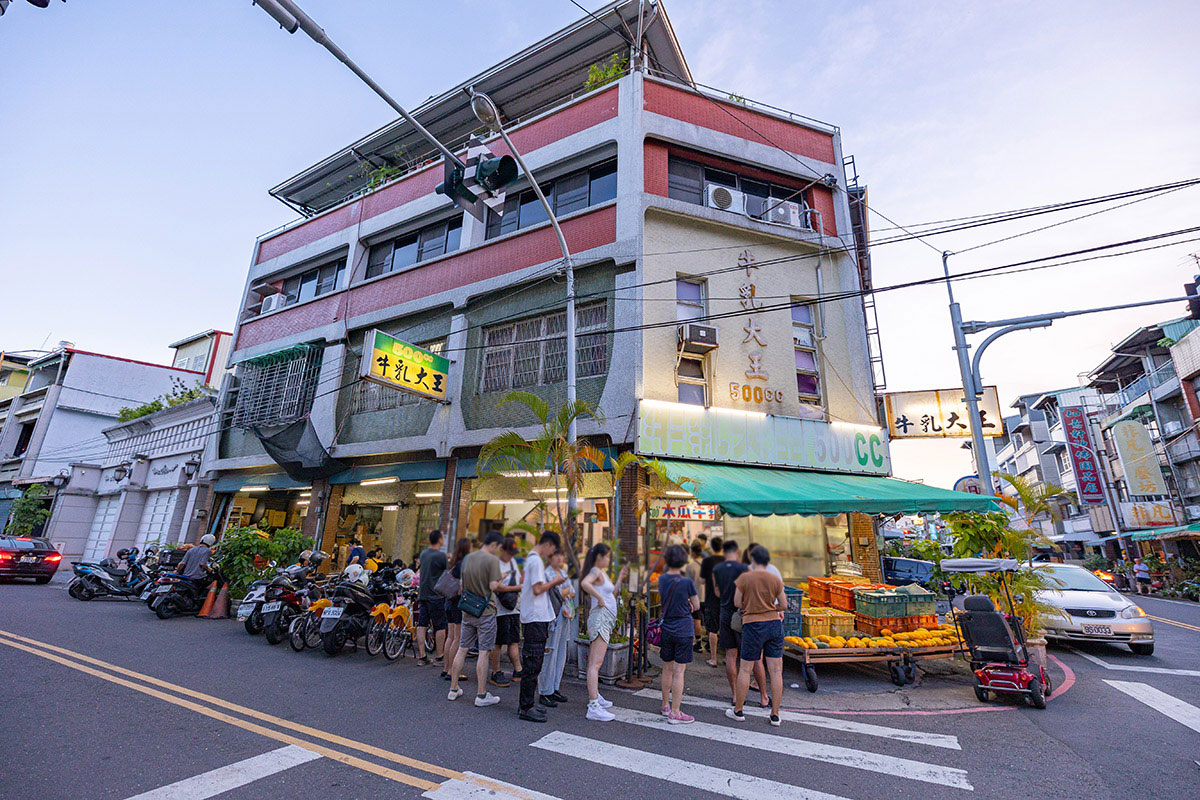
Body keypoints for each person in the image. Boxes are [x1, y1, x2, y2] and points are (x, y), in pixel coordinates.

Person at [727, 545, 787, 726]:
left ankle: (738, 710)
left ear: (752, 560)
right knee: (776, 671)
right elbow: (783, 604)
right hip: (774, 625)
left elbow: (737, 602)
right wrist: (771, 608)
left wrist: (751, 608)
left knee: (745, 668)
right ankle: (775, 714)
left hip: (752, 626)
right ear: (767, 560)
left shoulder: (745, 578)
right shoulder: (775, 578)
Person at [447, 532, 505, 708]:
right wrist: (503, 579)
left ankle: (453, 689)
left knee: (462, 649)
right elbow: (494, 586)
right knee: (483, 652)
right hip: (485, 612)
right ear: (494, 544)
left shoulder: (468, 559)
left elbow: (463, 585)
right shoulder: (492, 561)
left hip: (467, 611)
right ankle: (481, 694)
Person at [516, 532, 568, 722]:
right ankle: (526, 707)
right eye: (553, 550)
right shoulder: (536, 561)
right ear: (547, 544)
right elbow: (538, 589)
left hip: (534, 616)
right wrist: (555, 582)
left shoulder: (532, 559)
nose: (551, 554)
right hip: (535, 618)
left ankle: (527, 703)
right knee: (533, 663)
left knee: (534, 662)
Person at [713, 540, 768, 709]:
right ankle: (764, 697)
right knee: (755, 657)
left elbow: (716, 591)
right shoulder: (744, 569)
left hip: (725, 613)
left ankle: (736, 695)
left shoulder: (717, 569)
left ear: (724, 552)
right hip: (743, 614)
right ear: (736, 551)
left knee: (731, 655)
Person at [580, 542, 629, 722]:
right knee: (595, 663)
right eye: (607, 556)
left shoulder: (601, 573)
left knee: (596, 662)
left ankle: (596, 697)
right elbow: (585, 584)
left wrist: (619, 579)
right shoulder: (595, 571)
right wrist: (599, 597)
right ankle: (593, 705)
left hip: (604, 618)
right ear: (599, 557)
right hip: (600, 618)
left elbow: (611, 594)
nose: (608, 559)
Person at [657, 544, 699, 725]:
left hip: (667, 627)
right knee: (679, 671)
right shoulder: (687, 582)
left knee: (667, 668)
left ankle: (665, 705)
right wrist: (688, 604)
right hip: (683, 628)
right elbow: (696, 606)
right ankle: (675, 712)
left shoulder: (662, 580)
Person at [537, 546, 575, 707]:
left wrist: (564, 591)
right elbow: (556, 594)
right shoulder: (546, 574)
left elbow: (570, 592)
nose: (560, 559)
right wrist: (563, 591)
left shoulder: (563, 573)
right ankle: (545, 691)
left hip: (565, 614)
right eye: (556, 556)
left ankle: (555, 687)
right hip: (552, 615)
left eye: (561, 555)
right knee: (550, 653)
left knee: (561, 652)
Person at [490, 537, 522, 687]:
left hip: (514, 608)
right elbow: (495, 587)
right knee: (497, 643)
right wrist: (516, 588)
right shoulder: (495, 564)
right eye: (509, 552)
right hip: (499, 610)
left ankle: (518, 670)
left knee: (514, 641)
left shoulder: (512, 562)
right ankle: (496, 672)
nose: (511, 556)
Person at [415, 530, 449, 665]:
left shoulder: (424, 554)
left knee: (422, 624)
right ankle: (439, 656)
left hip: (423, 594)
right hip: (436, 595)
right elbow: (447, 573)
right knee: (439, 625)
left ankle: (422, 657)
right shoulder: (441, 556)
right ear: (440, 539)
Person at [441, 537, 473, 682]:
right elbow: (463, 586)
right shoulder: (463, 565)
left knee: (450, 636)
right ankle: (453, 671)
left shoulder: (453, 563)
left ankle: (446, 668)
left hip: (448, 602)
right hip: (457, 604)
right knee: (457, 638)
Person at [699, 536, 724, 667]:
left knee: (712, 629)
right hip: (727, 601)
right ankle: (729, 656)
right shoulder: (727, 561)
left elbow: (702, 580)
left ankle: (713, 658)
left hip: (711, 599)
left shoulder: (707, 561)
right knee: (727, 629)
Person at [685, 540, 705, 650]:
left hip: (696, 597)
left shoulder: (690, 566)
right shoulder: (707, 564)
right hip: (708, 596)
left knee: (696, 620)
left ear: (692, 552)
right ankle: (711, 646)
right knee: (710, 622)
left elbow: (687, 583)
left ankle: (698, 643)